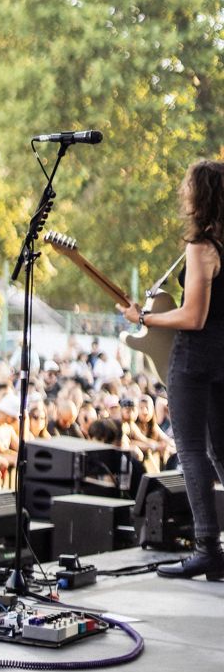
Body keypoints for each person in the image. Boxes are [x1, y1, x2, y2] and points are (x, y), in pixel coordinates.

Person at [118, 159, 224, 580]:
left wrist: (143, 319)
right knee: (221, 450)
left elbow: (193, 315)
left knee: (193, 450)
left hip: (195, 357)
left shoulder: (202, 248)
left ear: (200, 196)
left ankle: (206, 547)